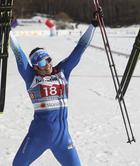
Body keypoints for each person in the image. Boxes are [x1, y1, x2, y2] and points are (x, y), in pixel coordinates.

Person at [10, 9, 102, 166]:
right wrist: (8, 31)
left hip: (62, 139)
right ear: (35, 67)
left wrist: (93, 25)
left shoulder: (62, 72)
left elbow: (79, 48)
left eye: (48, 60)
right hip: (37, 137)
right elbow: (18, 54)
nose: (47, 65)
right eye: (42, 63)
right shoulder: (31, 77)